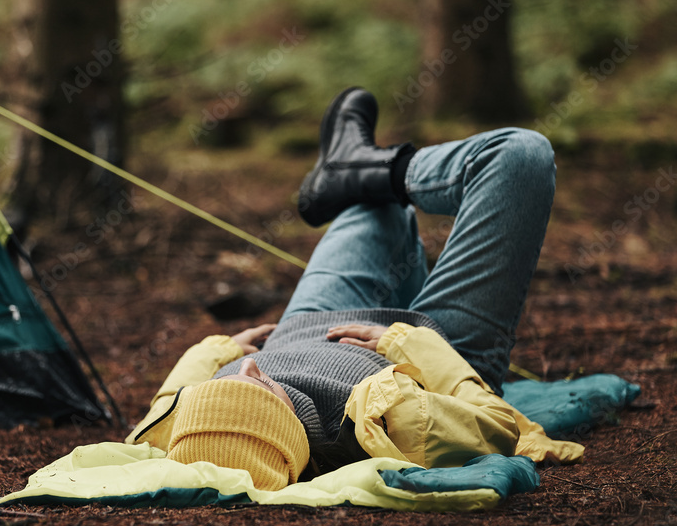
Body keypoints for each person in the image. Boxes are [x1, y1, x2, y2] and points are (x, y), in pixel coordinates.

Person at [125, 87, 583, 491]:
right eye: (256, 392)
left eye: (222, 385)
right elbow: (498, 426)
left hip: (308, 322)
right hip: (437, 348)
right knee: (519, 154)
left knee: (375, 205)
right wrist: (408, 343)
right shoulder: (398, 423)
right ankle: (382, 169)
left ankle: (355, 169)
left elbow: (159, 415)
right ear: (287, 429)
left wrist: (214, 354)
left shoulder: (189, 428)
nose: (246, 371)